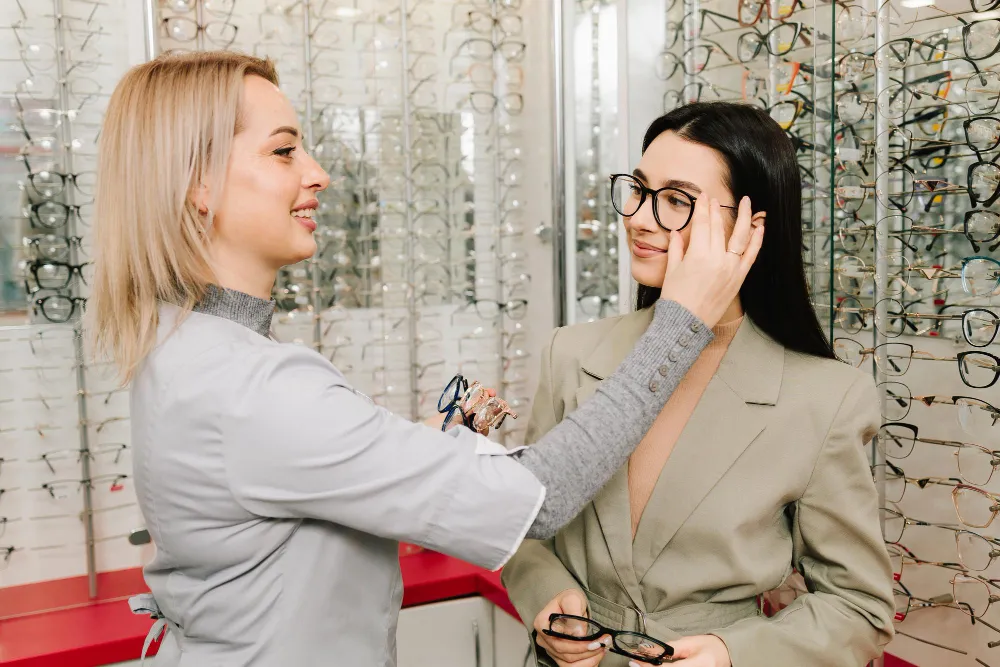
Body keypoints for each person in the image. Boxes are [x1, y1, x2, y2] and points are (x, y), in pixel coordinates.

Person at [87, 53, 763, 665]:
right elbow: (544, 498)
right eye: (285, 151)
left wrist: (437, 458)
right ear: (198, 185)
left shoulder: (185, 349)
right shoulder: (253, 388)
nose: (317, 173)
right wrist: (684, 322)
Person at [501, 102, 895, 667]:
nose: (638, 217)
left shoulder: (826, 399)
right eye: (637, 189)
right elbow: (523, 522)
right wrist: (548, 601)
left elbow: (858, 607)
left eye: (677, 201)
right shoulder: (572, 353)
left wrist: (732, 653)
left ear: (750, 227)